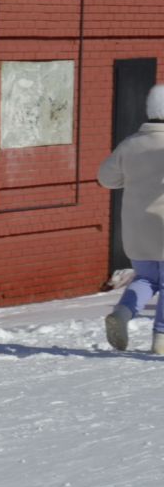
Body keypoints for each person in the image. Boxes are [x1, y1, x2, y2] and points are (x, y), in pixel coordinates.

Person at [96, 84, 164, 353]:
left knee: (147, 278)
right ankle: (161, 339)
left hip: (137, 230)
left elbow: (106, 178)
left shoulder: (131, 144)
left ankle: (122, 314)